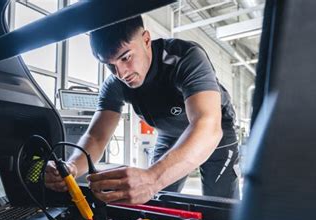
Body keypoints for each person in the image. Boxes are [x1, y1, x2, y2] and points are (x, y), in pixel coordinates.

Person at [45, 16, 239, 204]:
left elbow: (206, 125)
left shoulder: (185, 57)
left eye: (126, 57)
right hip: (169, 134)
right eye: (110, 65)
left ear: (146, 39)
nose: (121, 73)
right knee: (159, 201)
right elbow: (96, 137)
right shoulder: (114, 83)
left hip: (216, 132)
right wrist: (71, 168)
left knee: (221, 208)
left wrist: (153, 178)